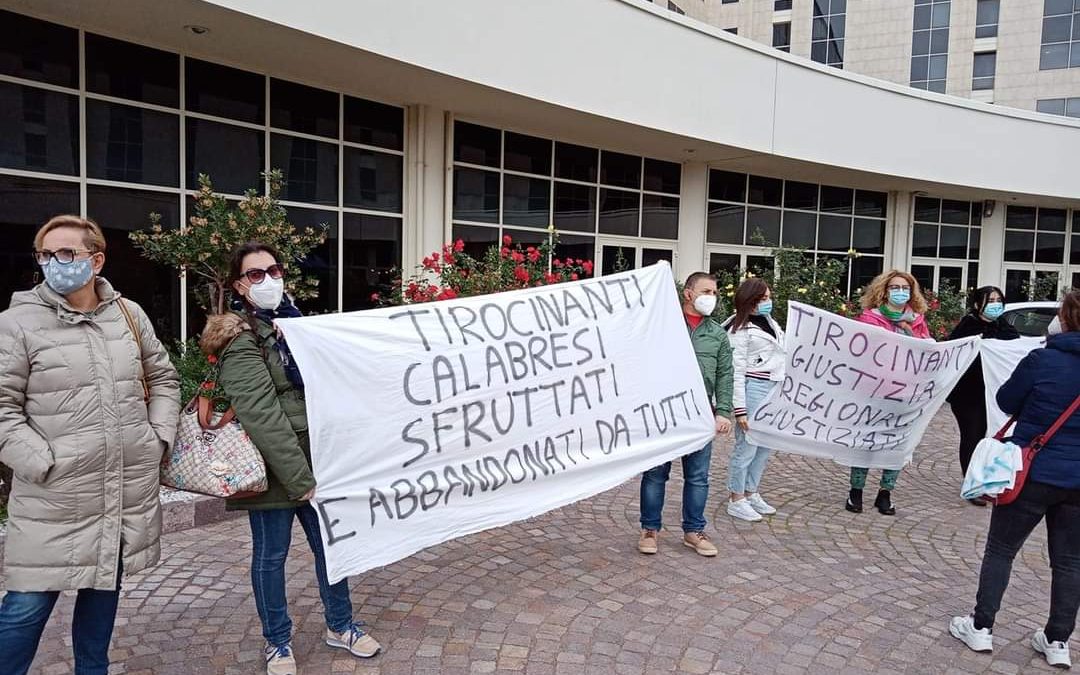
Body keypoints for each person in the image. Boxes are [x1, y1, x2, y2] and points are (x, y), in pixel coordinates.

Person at [0, 215, 181, 675]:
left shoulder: (128, 314)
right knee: (25, 608)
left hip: (119, 491)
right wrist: (43, 463)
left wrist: (156, 437)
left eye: (66, 254)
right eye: (45, 255)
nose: (54, 264)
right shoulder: (17, 324)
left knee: (102, 597)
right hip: (54, 497)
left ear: (95, 260)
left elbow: (162, 378)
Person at [200, 242, 380, 675]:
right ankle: (277, 642)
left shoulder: (294, 327)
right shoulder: (239, 340)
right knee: (271, 556)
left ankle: (341, 624)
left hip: (317, 459)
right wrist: (301, 479)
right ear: (240, 285)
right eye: (256, 274)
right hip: (275, 469)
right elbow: (262, 414)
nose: (269, 280)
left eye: (274, 270)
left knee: (330, 548)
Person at [949, 290, 1080, 669]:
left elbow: (1007, 401)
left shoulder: (1042, 359)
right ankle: (1058, 640)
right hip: (1076, 480)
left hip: (1032, 472)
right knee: (1070, 562)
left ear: (1065, 320)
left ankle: (981, 626)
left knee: (1001, 550)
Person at [638, 272, 733, 556]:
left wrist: (724, 411)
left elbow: (725, 374)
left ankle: (693, 531)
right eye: (706, 291)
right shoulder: (662, 326)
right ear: (688, 293)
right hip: (665, 410)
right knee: (655, 473)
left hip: (701, 412)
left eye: (715, 293)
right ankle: (649, 529)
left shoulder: (717, 334)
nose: (712, 298)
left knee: (698, 476)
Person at [846, 269, 931, 516]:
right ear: (884, 291)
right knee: (866, 441)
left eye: (905, 288)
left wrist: (910, 332)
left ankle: (886, 493)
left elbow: (925, 350)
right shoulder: (869, 319)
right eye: (895, 287)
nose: (900, 292)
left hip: (905, 392)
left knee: (898, 443)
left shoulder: (916, 320)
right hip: (872, 391)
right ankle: (856, 491)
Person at [947, 286, 1019, 506]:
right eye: (990, 300)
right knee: (972, 436)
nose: (996, 304)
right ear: (978, 305)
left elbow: (1014, 346)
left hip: (994, 393)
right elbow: (955, 351)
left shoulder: (1004, 327)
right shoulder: (968, 327)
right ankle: (972, 485)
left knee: (992, 437)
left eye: (999, 300)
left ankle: (989, 481)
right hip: (968, 394)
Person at [726, 278, 785, 522]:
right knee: (747, 446)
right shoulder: (738, 330)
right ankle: (736, 497)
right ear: (748, 301)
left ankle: (751, 491)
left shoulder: (769, 322)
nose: (767, 302)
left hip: (773, 387)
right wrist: (740, 409)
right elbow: (735, 371)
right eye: (762, 299)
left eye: (769, 297)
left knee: (764, 446)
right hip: (754, 388)